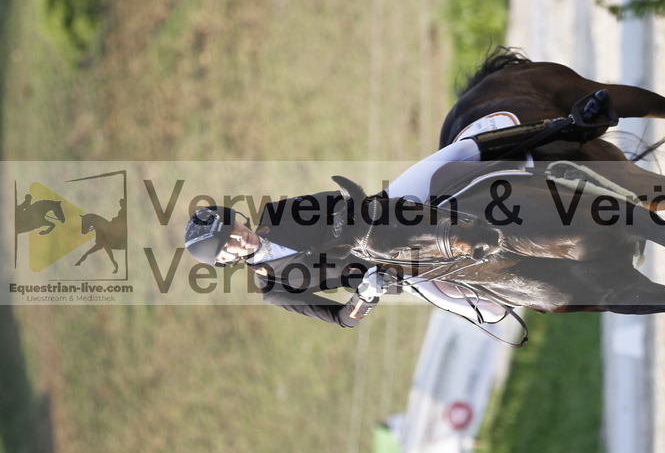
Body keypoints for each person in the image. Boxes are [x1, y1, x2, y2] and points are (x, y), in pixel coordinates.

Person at [183, 91, 617, 328]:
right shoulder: (275, 290)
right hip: (404, 274)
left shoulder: (279, 213)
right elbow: (341, 319)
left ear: (238, 219)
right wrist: (366, 295)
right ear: (225, 260)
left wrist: (348, 233)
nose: (239, 237)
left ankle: (569, 126)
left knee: (453, 155)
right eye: (229, 244)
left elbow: (336, 203)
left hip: (391, 217)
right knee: (488, 311)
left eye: (232, 227)